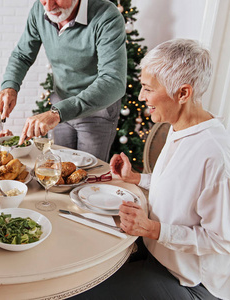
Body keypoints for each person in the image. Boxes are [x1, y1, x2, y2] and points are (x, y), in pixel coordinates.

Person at [72, 39, 230, 299]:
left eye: (147, 88)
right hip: (158, 253)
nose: (141, 96)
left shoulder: (215, 155)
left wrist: (152, 229)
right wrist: (138, 178)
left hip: (190, 283)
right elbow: (183, 186)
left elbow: (222, 239)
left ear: (183, 93)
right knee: (81, 259)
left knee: (80, 293)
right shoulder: (181, 126)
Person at [0, 0, 127, 161]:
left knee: (89, 177)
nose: (49, 7)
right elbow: (22, 55)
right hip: (60, 104)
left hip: (96, 111)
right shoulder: (39, 9)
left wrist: (58, 112)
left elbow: (113, 81)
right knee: (60, 168)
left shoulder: (106, 15)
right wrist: (10, 85)